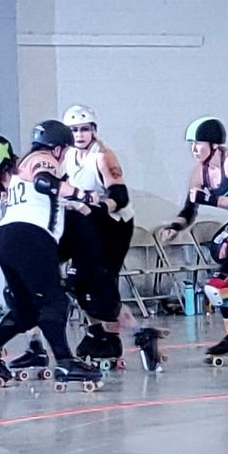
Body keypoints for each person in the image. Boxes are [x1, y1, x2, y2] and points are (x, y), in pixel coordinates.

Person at [0, 122, 106, 391]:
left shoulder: (17, 171)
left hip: (5, 238)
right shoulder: (43, 158)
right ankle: (65, 362)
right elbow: (45, 182)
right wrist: (85, 194)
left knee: (27, 309)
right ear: (58, 148)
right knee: (55, 300)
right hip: (31, 236)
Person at [59, 104, 160, 370]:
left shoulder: (102, 157)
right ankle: (97, 333)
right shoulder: (68, 156)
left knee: (101, 289)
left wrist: (99, 207)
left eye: (84, 129)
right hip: (87, 224)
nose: (79, 135)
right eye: (74, 130)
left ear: (93, 130)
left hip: (114, 226)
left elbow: (120, 196)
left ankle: (136, 335)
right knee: (76, 283)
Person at [154, 115, 228, 365]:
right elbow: (190, 208)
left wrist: (211, 199)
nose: (194, 149)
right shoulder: (200, 171)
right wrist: (175, 227)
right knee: (216, 283)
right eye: (191, 144)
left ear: (214, 145)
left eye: (198, 144)